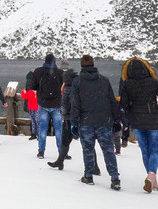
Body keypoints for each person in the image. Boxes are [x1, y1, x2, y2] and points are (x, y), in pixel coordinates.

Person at [119, 57, 158, 193]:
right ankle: (152, 174)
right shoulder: (153, 82)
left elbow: (123, 104)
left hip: (137, 120)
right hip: (154, 119)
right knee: (155, 150)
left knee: (145, 150)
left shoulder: (127, 84)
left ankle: (152, 178)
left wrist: (131, 111)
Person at [69, 55, 120, 189]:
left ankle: (88, 175)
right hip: (104, 121)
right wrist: (117, 119)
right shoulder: (104, 80)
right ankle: (115, 178)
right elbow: (112, 101)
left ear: (82, 65)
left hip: (86, 121)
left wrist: (73, 123)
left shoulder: (77, 82)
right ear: (93, 64)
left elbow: (75, 104)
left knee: (88, 149)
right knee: (108, 149)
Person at [49, 61, 78, 171]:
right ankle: (95, 167)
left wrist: (62, 112)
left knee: (65, 141)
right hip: (80, 118)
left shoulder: (66, 90)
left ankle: (60, 162)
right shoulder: (78, 87)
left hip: (69, 119)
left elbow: (65, 107)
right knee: (87, 143)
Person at [34, 54, 64, 159]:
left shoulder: (38, 72)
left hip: (43, 104)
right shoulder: (60, 73)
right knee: (59, 129)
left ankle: (41, 151)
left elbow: (32, 86)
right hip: (56, 104)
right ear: (54, 61)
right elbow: (64, 86)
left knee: (42, 128)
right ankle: (61, 152)